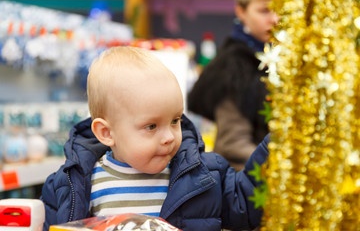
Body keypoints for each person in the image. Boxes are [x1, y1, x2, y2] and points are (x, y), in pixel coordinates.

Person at [40, 46, 270, 231]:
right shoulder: (70, 186)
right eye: (151, 126)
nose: (169, 137)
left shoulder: (205, 176)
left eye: (175, 120)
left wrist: (275, 148)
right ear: (107, 133)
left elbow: (247, 205)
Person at [187, 0, 278, 171]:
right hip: (247, 183)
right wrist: (279, 167)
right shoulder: (236, 65)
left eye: (279, 10)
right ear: (241, 12)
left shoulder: (274, 55)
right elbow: (233, 145)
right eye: (264, 11)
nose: (274, 18)